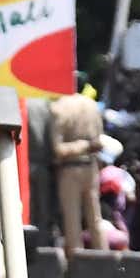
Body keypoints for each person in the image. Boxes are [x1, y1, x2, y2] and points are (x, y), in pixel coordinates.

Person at [48, 86, 103, 254]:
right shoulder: (92, 105)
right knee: (95, 219)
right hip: (91, 168)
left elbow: (57, 148)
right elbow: (99, 140)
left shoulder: (58, 108)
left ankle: (76, 265)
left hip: (70, 169)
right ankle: (105, 259)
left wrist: (82, 146)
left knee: (72, 221)